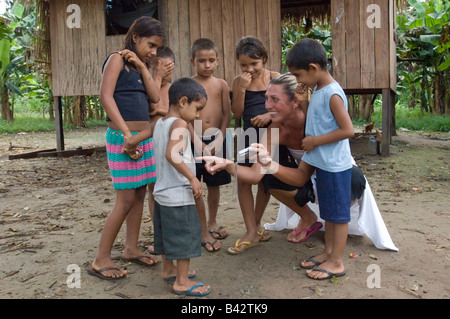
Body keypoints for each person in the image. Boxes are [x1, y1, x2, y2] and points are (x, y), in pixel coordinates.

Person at [258, 38, 355, 280]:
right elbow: (321, 119)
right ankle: (328, 253)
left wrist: (314, 141)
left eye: (298, 75)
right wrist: (304, 102)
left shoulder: (332, 93)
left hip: (335, 166)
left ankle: (337, 262)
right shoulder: (319, 90)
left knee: (338, 217)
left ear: (313, 68)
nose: (298, 81)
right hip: (323, 163)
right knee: (329, 215)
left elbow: (348, 130)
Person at [88, 17, 173, 280]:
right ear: (134, 37)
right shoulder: (116, 59)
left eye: (157, 48)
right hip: (122, 137)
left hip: (141, 138)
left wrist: (142, 65)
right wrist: (126, 134)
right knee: (124, 200)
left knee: (137, 195)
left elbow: (155, 97)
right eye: (150, 45)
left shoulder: (138, 67)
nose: (153, 52)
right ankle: (101, 258)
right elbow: (105, 96)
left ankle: (131, 248)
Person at [125, 77, 211, 296]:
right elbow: (172, 154)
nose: (198, 115)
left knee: (165, 236)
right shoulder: (180, 124)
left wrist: (129, 145)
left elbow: (135, 140)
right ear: (183, 102)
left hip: (161, 192)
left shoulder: (160, 123)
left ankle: (168, 269)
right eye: (197, 108)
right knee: (185, 236)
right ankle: (182, 282)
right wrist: (192, 178)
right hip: (178, 194)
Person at [229, 36, 280, 254]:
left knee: (264, 181)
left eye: (254, 64)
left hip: (271, 135)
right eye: (244, 65)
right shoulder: (238, 81)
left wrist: (269, 115)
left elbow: (287, 108)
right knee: (243, 181)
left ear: (264, 60)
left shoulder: (276, 78)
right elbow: (237, 113)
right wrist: (242, 89)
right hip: (247, 135)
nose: (249, 69)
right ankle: (251, 229)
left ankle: (256, 225)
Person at [189, 38, 232, 252]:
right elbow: (184, 117)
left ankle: (212, 221)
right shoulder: (188, 85)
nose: (207, 65)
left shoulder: (221, 85)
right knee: (194, 185)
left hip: (216, 141)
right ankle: (200, 225)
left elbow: (227, 114)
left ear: (217, 61)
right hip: (192, 141)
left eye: (211, 60)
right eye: (202, 61)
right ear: (192, 61)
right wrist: (196, 141)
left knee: (214, 184)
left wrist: (219, 139)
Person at [146, 46, 175, 253]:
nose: (163, 73)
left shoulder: (174, 89)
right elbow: (151, 105)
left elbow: (164, 110)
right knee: (152, 189)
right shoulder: (148, 86)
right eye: (159, 69)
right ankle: (158, 233)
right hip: (149, 144)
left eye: (166, 69)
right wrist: (156, 78)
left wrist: (160, 109)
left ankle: (170, 232)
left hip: (169, 144)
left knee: (170, 187)